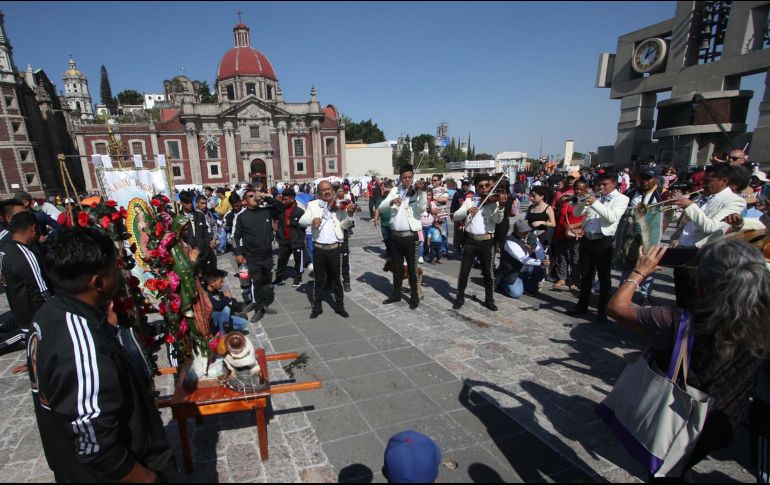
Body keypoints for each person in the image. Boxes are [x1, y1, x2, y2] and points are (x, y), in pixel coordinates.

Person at [607, 241, 770, 482]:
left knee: (667, 468)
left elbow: (616, 307)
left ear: (700, 283)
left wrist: (640, 272)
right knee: (683, 464)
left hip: (678, 419)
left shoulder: (678, 321)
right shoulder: (764, 319)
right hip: (726, 419)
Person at [27, 227, 177, 482]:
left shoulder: (49, 314)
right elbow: (96, 446)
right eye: (113, 269)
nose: (118, 274)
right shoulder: (81, 344)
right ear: (98, 282)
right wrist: (149, 479)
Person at [568, 171, 630, 323]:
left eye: (605, 185)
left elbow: (612, 217)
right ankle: (582, 306)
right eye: (599, 185)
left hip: (604, 241)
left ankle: (602, 310)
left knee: (604, 277)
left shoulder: (622, 199)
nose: (601, 187)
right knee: (586, 275)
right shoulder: (596, 197)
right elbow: (576, 213)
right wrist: (582, 202)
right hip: (587, 239)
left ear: (614, 184)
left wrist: (595, 202)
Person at [299, 180, 357, 319]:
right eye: (323, 190)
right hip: (319, 248)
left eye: (328, 189)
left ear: (332, 190)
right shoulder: (313, 205)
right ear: (319, 192)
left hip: (335, 248)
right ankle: (317, 307)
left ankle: (339, 306)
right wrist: (312, 221)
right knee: (318, 281)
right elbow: (302, 221)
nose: (326, 192)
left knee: (337, 280)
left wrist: (349, 215)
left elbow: (345, 226)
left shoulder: (341, 205)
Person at [452, 173, 507, 311]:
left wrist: (501, 207)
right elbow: (455, 216)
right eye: (481, 186)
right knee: (464, 272)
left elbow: (497, 220)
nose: (484, 189)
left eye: (487, 186)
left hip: (487, 242)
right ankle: (459, 297)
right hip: (470, 241)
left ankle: (489, 299)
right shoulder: (470, 200)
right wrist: (466, 211)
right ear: (476, 187)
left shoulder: (494, 202)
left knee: (488, 273)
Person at [0, 211, 52, 350]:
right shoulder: (25, 254)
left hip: (19, 313)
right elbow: (41, 291)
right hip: (31, 321)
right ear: (33, 228)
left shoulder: (5, 250)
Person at [233, 188, 285, 323]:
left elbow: (280, 208)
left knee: (266, 282)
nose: (254, 197)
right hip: (252, 257)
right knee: (256, 282)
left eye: (255, 195)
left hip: (267, 256)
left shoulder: (266, 211)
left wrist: (265, 197)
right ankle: (258, 309)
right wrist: (238, 253)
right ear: (244, 201)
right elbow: (235, 237)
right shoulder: (241, 217)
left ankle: (263, 304)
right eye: (251, 196)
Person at [379, 164, 427, 310]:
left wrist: (423, 192)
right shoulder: (395, 191)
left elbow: (422, 208)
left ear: (413, 177)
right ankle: (396, 294)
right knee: (397, 268)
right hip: (395, 236)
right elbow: (381, 208)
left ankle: (414, 296)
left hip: (410, 236)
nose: (407, 180)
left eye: (409, 177)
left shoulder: (417, 191)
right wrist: (391, 201)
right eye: (404, 178)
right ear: (400, 178)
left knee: (412, 268)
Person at [621, 166, 664, 307]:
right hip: (631, 233)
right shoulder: (631, 192)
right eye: (642, 178)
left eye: (648, 178)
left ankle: (645, 294)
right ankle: (623, 290)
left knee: (648, 264)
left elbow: (666, 218)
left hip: (649, 235)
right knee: (628, 262)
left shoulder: (662, 195)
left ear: (655, 179)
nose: (645, 181)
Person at [497, 220, 550, 298]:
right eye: (523, 231)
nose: (526, 233)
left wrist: (544, 262)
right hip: (514, 271)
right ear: (517, 231)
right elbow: (523, 259)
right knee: (516, 294)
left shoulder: (532, 237)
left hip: (527, 267)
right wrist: (540, 263)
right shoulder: (510, 242)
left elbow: (540, 252)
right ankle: (502, 281)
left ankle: (527, 285)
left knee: (539, 270)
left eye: (527, 231)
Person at [551, 179, 587, 291]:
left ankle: (575, 279)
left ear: (585, 190)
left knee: (575, 256)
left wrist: (574, 226)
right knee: (561, 255)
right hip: (561, 230)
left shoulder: (587, 201)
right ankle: (562, 277)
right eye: (577, 188)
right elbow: (561, 200)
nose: (579, 191)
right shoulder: (569, 199)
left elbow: (587, 218)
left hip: (575, 231)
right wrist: (571, 198)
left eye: (582, 189)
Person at [179, 190, 216, 276]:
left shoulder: (199, 215)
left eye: (191, 202)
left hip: (203, 251)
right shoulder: (179, 218)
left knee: (207, 274)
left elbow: (205, 230)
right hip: (190, 254)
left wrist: (206, 244)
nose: (190, 205)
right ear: (181, 203)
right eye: (187, 203)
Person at [273, 188, 306, 288]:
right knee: (281, 260)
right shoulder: (282, 209)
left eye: (286, 199)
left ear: (292, 199)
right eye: (283, 199)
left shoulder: (300, 211)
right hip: (284, 240)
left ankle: (297, 278)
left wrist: (292, 223)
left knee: (298, 260)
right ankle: (279, 278)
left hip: (296, 240)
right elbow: (274, 216)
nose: (284, 201)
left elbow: (304, 224)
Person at [205, 269, 250, 334]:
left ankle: (226, 329)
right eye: (221, 281)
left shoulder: (216, 290)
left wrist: (227, 295)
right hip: (213, 321)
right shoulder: (206, 294)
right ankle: (223, 335)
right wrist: (227, 298)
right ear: (212, 283)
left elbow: (229, 301)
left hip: (223, 320)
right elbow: (218, 306)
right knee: (226, 309)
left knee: (243, 323)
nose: (222, 283)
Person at [450, 179, 473, 256]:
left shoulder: (472, 194)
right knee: (457, 232)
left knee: (466, 233)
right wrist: (452, 215)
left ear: (469, 185)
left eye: (467, 184)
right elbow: (453, 205)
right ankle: (456, 247)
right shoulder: (457, 194)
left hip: (468, 217)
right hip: (458, 215)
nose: (465, 186)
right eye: (464, 184)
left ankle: (465, 247)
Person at [373, 179, 395, 259]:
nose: (383, 189)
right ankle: (389, 251)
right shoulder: (379, 199)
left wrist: (388, 189)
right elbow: (377, 209)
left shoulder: (393, 197)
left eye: (384, 188)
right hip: (384, 223)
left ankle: (393, 253)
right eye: (381, 188)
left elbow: (395, 189)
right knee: (386, 239)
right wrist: (376, 218)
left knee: (392, 239)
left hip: (392, 223)